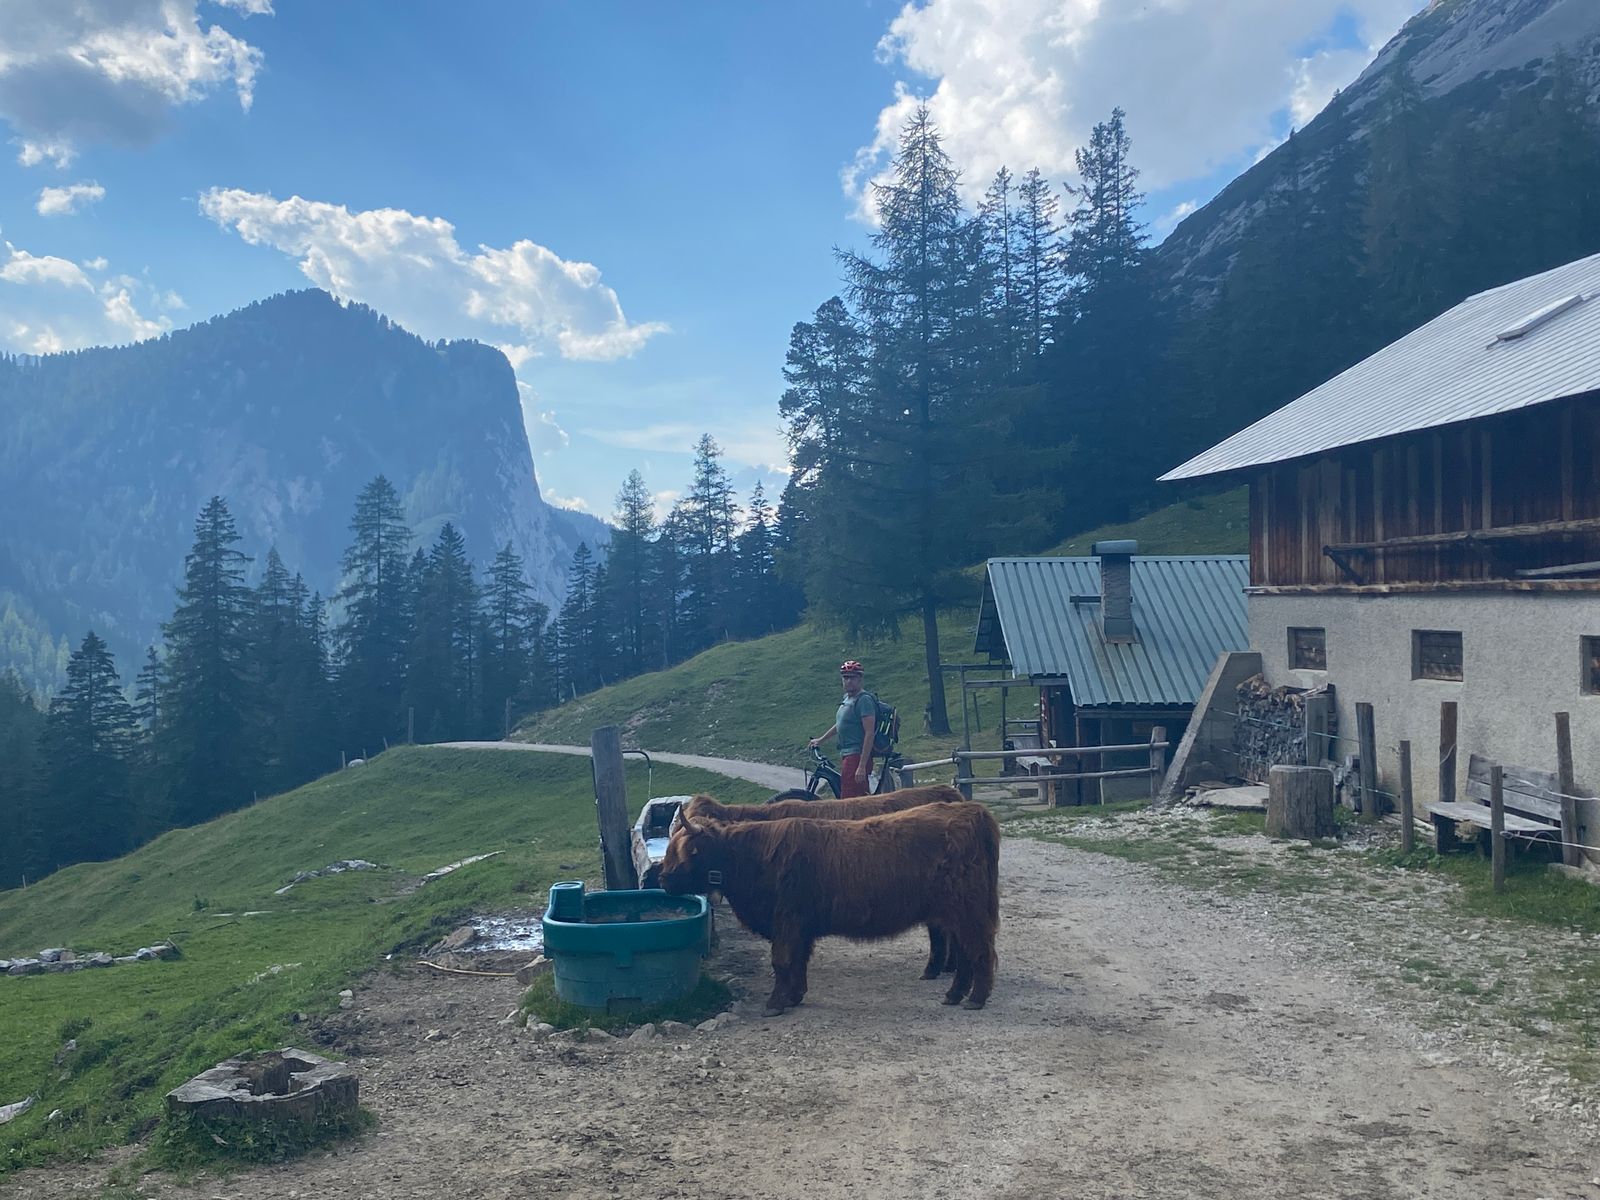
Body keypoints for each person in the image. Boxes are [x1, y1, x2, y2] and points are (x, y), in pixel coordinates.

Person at [808, 659, 877, 797]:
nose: (848, 681)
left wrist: (862, 766)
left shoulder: (864, 700)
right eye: (845, 677)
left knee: (852, 799)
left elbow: (869, 733)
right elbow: (840, 724)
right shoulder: (847, 699)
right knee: (851, 796)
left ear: (860, 679)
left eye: (852, 677)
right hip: (847, 754)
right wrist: (821, 740)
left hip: (856, 755)